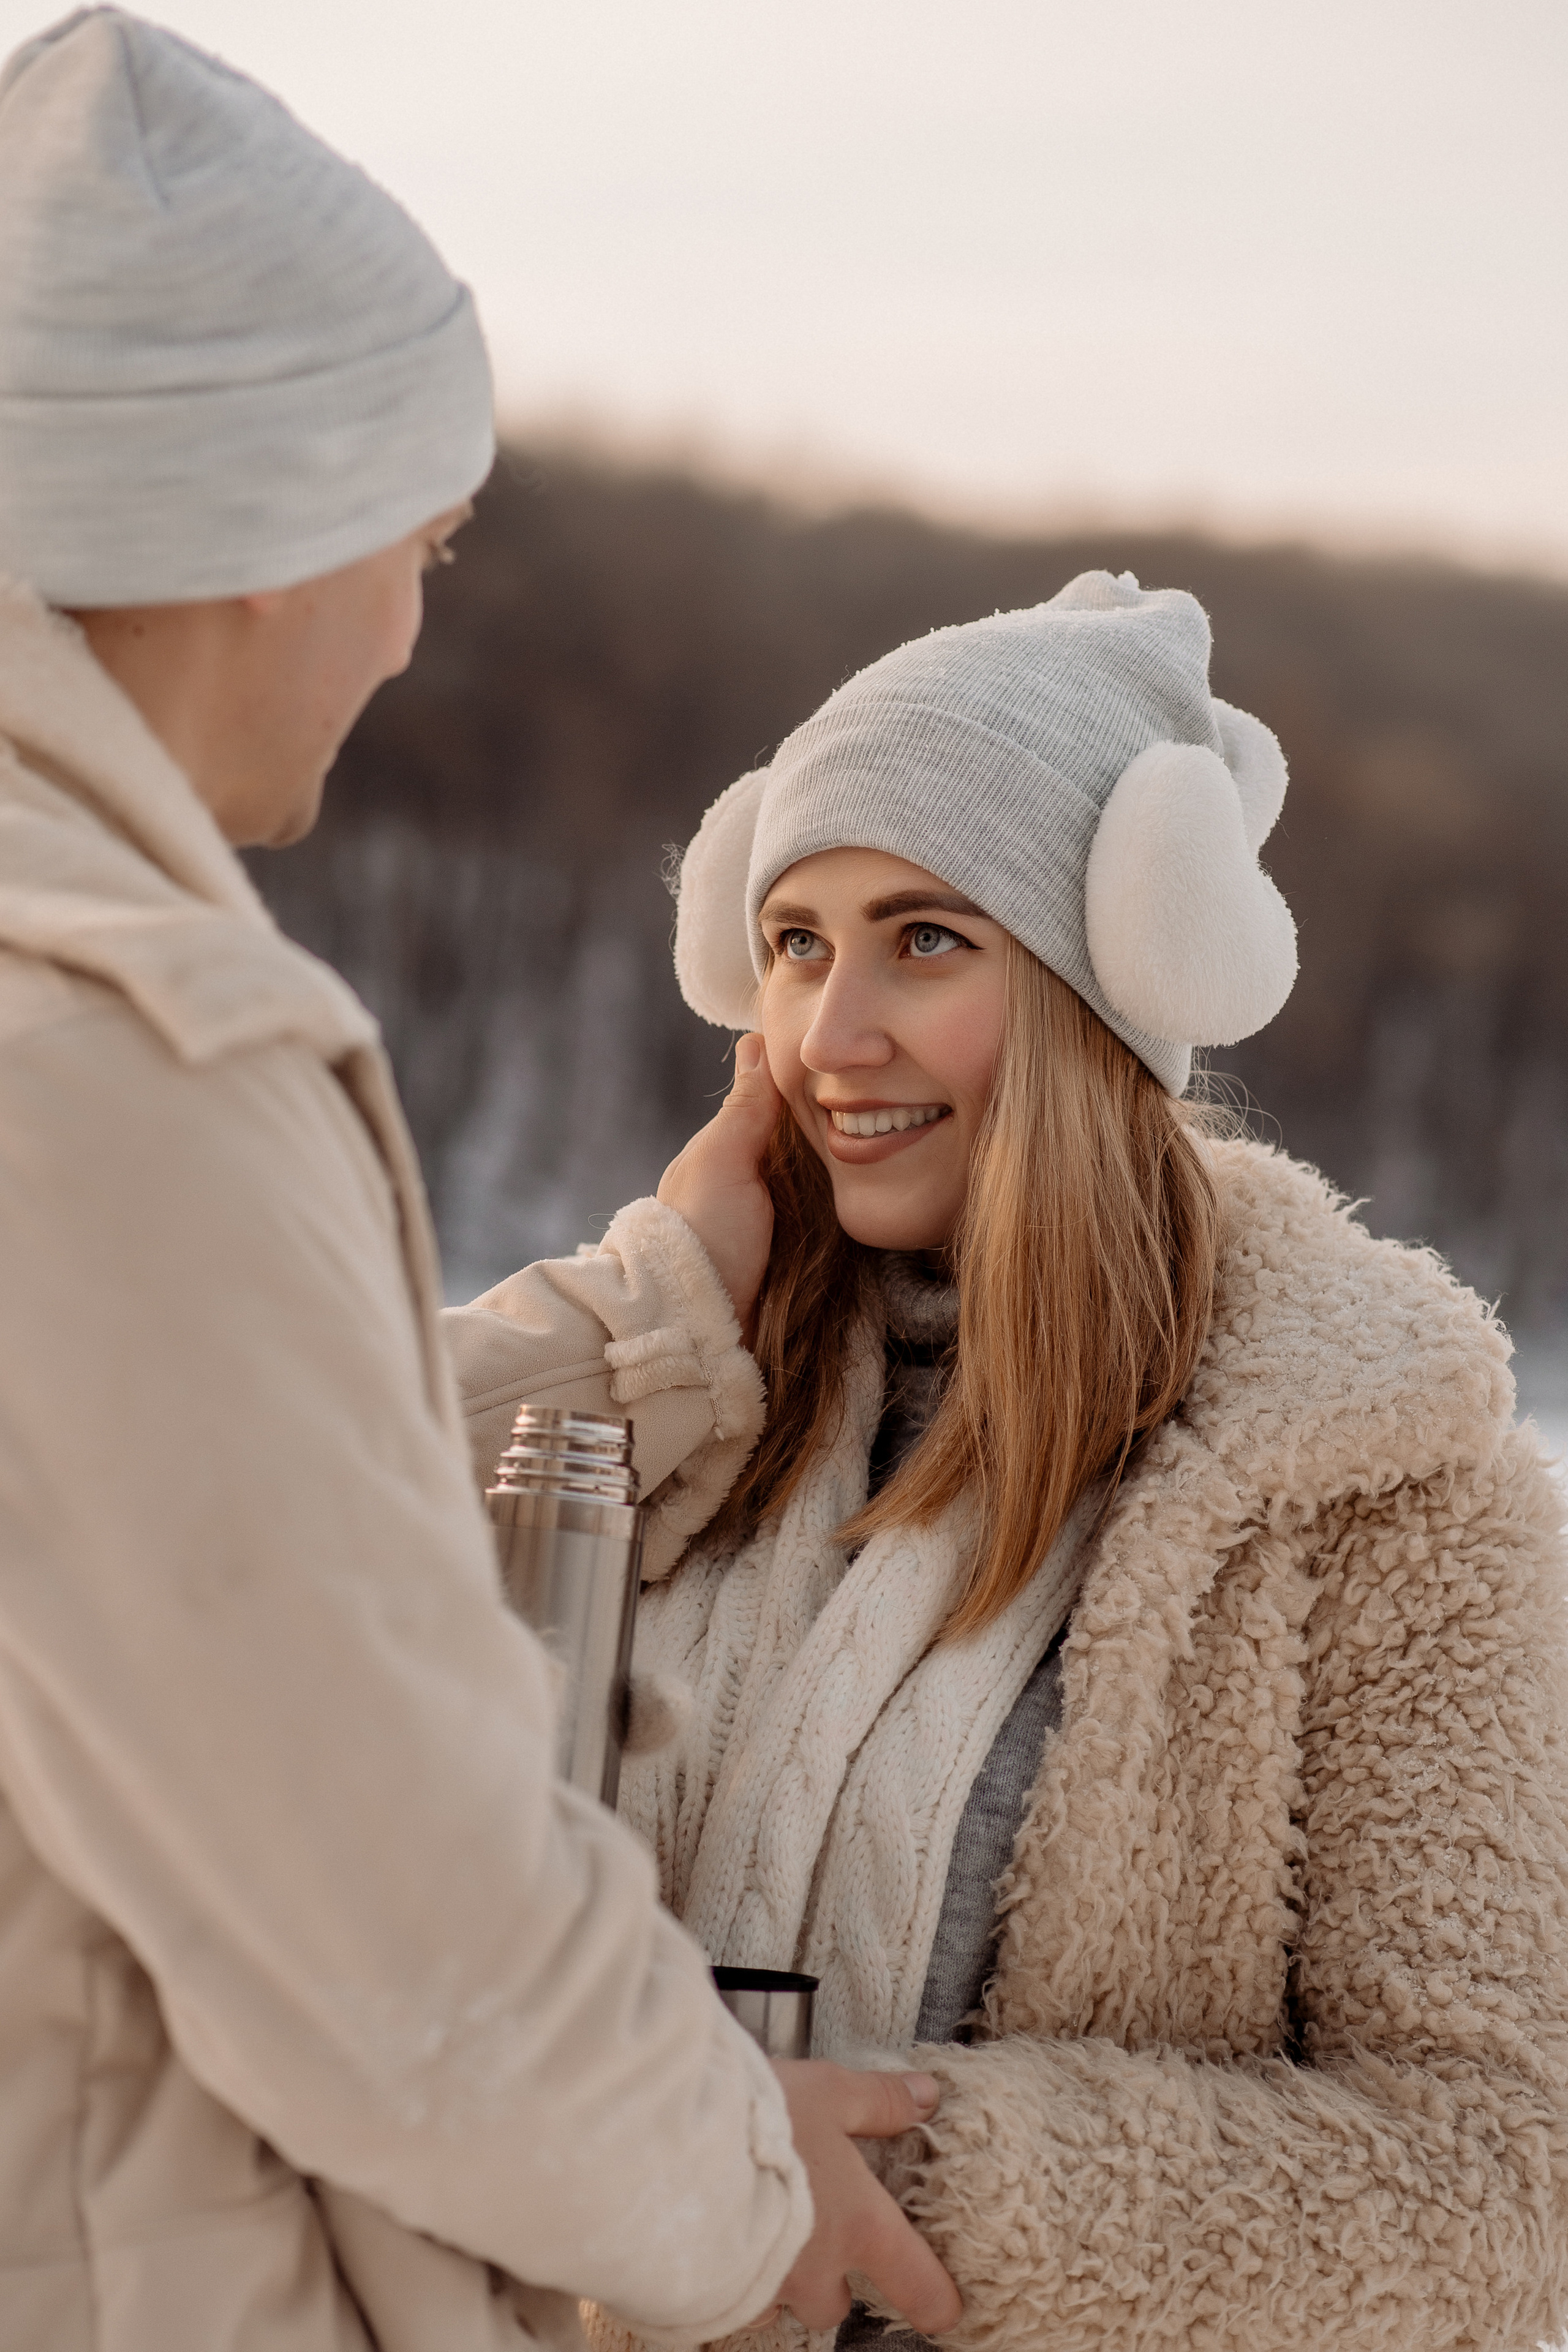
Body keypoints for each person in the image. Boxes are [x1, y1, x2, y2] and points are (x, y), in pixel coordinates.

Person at [0, 12, 962, 2350]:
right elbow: (402, 1944)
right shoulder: (112, 1056)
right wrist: (744, 2201)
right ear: (260, 530)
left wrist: (639, 1326)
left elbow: (145, 1531)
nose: (412, 632)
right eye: (417, 546)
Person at [443, 572, 1568, 2352]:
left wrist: (866, 2177)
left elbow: (1504, 2184)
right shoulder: (676, 1402)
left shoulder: (1377, 1491)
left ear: (1103, 982)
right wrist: (631, 1316)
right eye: (799, 942)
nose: (832, 1036)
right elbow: (230, 1554)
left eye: (927, 940)